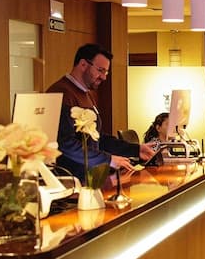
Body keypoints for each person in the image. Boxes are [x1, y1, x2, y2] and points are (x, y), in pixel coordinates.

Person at [47, 43, 154, 180]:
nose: (104, 77)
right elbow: (65, 143)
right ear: (83, 64)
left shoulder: (87, 94)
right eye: (100, 70)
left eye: (106, 72)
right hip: (72, 180)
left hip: (91, 177)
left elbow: (97, 138)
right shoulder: (62, 93)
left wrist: (136, 149)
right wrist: (107, 160)